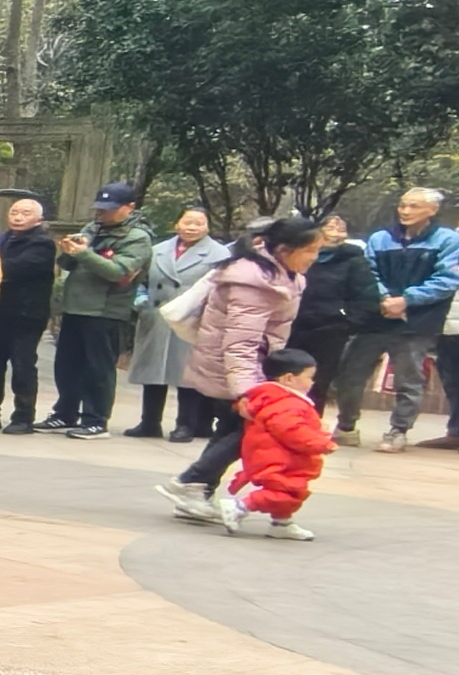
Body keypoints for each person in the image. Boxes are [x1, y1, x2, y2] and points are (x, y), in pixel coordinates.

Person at [165, 213, 320, 515]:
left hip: (252, 368)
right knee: (245, 430)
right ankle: (190, 482)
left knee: (232, 431)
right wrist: (247, 393)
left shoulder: (280, 275)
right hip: (236, 370)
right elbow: (240, 343)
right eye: (311, 250)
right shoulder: (253, 281)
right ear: (285, 250)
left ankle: (195, 491)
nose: (315, 257)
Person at [48, 182, 153, 437]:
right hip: (76, 307)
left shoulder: (137, 238)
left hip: (106, 311)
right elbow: (69, 264)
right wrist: (69, 251)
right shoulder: (91, 229)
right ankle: (65, 413)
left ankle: (95, 419)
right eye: (99, 208)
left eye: (109, 209)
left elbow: (117, 271)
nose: (101, 213)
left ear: (129, 208)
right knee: (67, 365)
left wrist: (84, 253)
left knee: (98, 369)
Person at [359, 189, 459, 448]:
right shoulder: (381, 238)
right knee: (351, 371)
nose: (405, 211)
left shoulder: (447, 240)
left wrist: (407, 300)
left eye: (414, 206)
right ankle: (346, 425)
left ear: (432, 210)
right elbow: (367, 271)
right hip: (378, 317)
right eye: (403, 205)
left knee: (410, 377)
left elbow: (447, 279)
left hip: (420, 321)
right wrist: (384, 299)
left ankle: (399, 429)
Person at [214, 342, 333, 537]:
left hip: (273, 454)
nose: (312, 383)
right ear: (288, 378)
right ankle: (239, 507)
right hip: (280, 457)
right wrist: (322, 442)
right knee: (287, 492)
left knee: (286, 489)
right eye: (309, 377)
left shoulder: (272, 397)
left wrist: (317, 428)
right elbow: (293, 431)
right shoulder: (287, 403)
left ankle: (282, 524)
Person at [128, 207, 223, 437]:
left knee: (187, 376)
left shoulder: (219, 255)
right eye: (187, 222)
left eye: (198, 223)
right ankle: (149, 422)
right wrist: (141, 301)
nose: (191, 227)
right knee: (153, 372)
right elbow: (141, 280)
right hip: (157, 317)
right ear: (176, 224)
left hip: (192, 321)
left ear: (207, 226)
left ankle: (185, 425)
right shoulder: (157, 250)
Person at [0, 197, 58, 433]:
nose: (18, 217)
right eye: (14, 212)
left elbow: (11, 269)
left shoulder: (42, 244)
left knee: (22, 364)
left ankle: (23, 417)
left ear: (39, 218)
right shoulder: (2, 239)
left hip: (26, 314)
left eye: (25, 213)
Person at [291, 212, 380, 431]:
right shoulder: (298, 255)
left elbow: (366, 297)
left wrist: (345, 323)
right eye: (329, 227)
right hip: (290, 325)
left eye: (340, 228)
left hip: (329, 330)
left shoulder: (353, 259)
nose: (335, 231)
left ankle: (308, 429)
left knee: (317, 383)